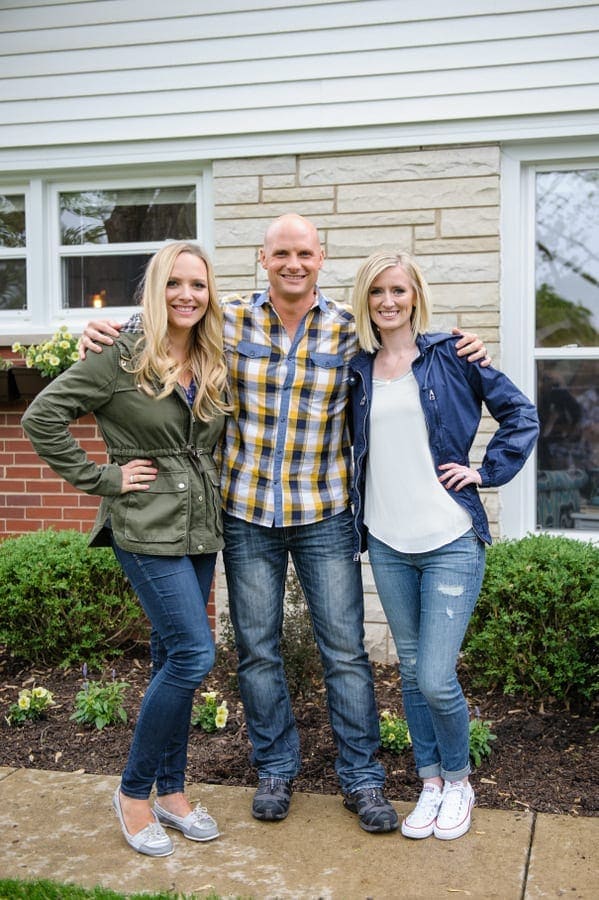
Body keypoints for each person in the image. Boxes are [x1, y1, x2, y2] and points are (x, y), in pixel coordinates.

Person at [79, 214, 489, 834]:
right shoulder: (228, 319)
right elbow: (168, 325)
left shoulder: (354, 332)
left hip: (323, 511)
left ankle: (362, 777)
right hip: (245, 514)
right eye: (281, 253)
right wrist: (100, 331)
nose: (293, 263)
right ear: (262, 259)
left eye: (304, 252)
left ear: (320, 257)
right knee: (257, 650)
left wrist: (469, 347)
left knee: (345, 652)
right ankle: (275, 767)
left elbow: (414, 346)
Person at [22, 241, 230, 857]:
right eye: (175, 284)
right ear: (155, 289)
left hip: (199, 528)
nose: (187, 295)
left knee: (173, 656)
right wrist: (104, 479)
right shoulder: (120, 353)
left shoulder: (209, 352)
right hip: (144, 525)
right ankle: (135, 793)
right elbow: (42, 416)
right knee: (195, 655)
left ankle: (172, 791)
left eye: (198, 284)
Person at [349, 250, 539, 841]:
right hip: (386, 539)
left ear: (415, 296)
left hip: (450, 538)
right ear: (366, 299)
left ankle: (459, 782)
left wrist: (485, 471)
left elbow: (520, 415)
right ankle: (429, 783)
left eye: (398, 291)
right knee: (408, 673)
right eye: (377, 291)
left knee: (435, 676)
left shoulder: (453, 354)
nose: (388, 301)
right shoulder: (356, 367)